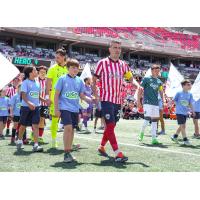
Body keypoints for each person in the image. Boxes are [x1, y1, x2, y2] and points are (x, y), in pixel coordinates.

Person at [92, 40, 134, 162]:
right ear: (109, 49)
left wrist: (138, 85)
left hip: (117, 100)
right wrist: (95, 95)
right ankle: (117, 153)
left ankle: (101, 146)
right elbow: (94, 80)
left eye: (119, 48)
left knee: (112, 126)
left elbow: (130, 78)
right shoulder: (102, 63)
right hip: (106, 99)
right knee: (110, 125)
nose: (117, 50)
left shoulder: (123, 64)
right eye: (115, 47)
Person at [54, 59, 92, 163]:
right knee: (68, 128)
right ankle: (66, 153)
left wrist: (91, 99)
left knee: (72, 131)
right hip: (64, 108)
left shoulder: (79, 81)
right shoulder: (62, 79)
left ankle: (69, 152)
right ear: (68, 68)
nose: (75, 69)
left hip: (75, 109)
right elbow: (56, 94)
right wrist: (56, 109)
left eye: (77, 67)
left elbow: (81, 95)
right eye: (73, 67)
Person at [16, 66, 46, 152]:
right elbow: (23, 95)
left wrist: (45, 100)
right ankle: (19, 140)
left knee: (35, 125)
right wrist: (29, 103)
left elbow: (38, 95)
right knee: (23, 126)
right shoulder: (25, 83)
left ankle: (36, 145)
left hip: (36, 108)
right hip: (26, 107)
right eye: (35, 70)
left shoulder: (37, 83)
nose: (37, 71)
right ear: (30, 73)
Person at [46, 48, 68, 148]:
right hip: (55, 98)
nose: (56, 59)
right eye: (56, 57)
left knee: (68, 120)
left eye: (58, 57)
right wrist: (47, 97)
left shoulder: (69, 68)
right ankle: (54, 140)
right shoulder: (52, 68)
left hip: (67, 98)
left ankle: (69, 141)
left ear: (64, 57)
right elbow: (48, 84)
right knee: (55, 119)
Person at [137, 64, 164, 145]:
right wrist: (138, 101)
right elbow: (140, 90)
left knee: (155, 121)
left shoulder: (159, 82)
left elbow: (161, 92)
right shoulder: (146, 79)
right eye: (156, 70)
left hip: (156, 103)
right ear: (152, 70)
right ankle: (141, 133)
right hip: (147, 102)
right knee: (147, 119)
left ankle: (154, 139)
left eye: (158, 70)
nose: (157, 72)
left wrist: (163, 100)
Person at [171, 79, 195, 145]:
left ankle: (174, 136)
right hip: (179, 112)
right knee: (183, 126)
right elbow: (173, 100)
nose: (190, 86)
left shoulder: (190, 94)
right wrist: (167, 105)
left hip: (185, 112)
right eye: (188, 85)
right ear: (183, 86)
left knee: (182, 126)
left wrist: (193, 111)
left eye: (190, 85)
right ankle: (185, 140)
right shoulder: (179, 93)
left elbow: (190, 103)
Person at [37, 66, 49, 144]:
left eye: (44, 72)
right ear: (38, 72)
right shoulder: (35, 80)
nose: (42, 73)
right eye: (41, 72)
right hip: (36, 104)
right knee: (35, 120)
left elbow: (50, 92)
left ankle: (40, 137)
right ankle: (33, 134)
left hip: (45, 104)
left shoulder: (48, 81)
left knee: (42, 120)